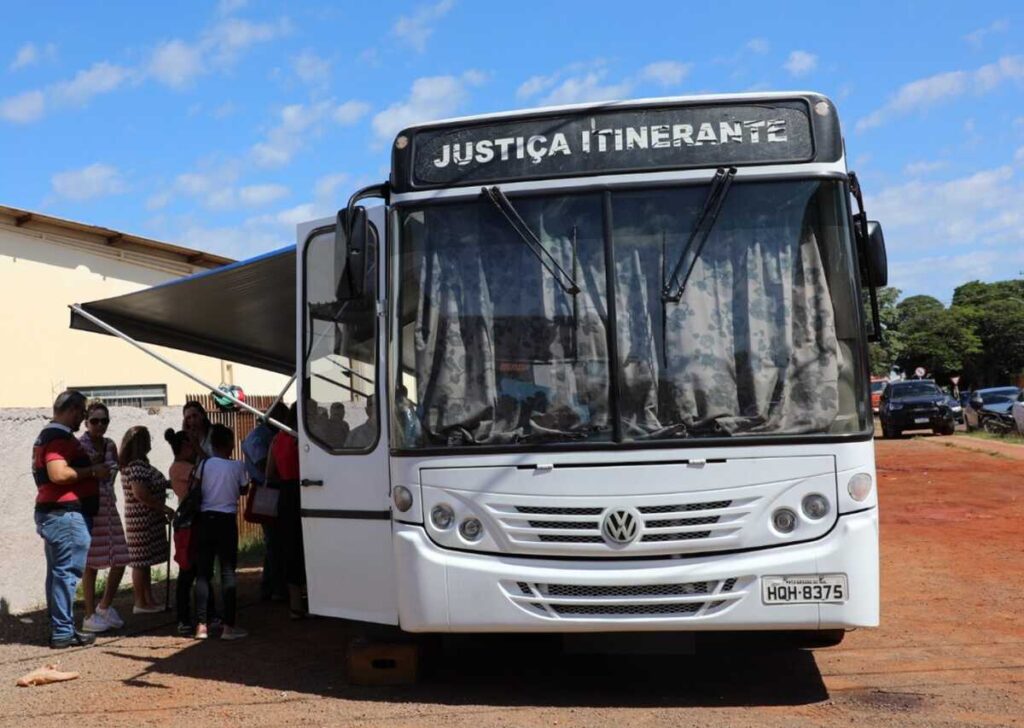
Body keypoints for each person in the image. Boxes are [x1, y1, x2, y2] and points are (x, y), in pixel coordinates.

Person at [33, 390, 108, 648]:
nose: (83, 419)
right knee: (66, 573)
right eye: (83, 413)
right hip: (65, 514)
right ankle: (63, 631)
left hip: (56, 513)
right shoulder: (58, 437)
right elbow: (58, 473)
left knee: (58, 572)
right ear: (73, 410)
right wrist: (92, 471)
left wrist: (86, 465)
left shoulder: (49, 435)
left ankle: (60, 627)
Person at [194, 424, 249, 640]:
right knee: (227, 572)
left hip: (205, 519)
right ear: (230, 444)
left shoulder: (204, 464)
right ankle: (228, 626)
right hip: (226, 520)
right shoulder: (237, 466)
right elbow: (244, 489)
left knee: (203, 573)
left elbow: (196, 486)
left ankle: (201, 625)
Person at [79, 403, 130, 633]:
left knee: (121, 556)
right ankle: (89, 614)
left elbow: (112, 473)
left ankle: (104, 605)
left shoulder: (110, 444)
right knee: (91, 563)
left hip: (108, 506)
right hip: (90, 506)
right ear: (86, 422)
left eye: (104, 421)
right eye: (95, 421)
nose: (100, 425)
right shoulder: (80, 445)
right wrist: (94, 466)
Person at [165, 428, 217, 635]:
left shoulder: (180, 467)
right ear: (186, 447)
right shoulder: (182, 468)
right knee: (190, 572)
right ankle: (186, 617)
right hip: (190, 523)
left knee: (196, 570)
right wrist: (198, 449)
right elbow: (209, 469)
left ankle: (201, 615)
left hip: (192, 521)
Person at [120, 427, 174, 614]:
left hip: (146, 519)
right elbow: (140, 493)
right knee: (140, 561)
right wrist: (163, 508)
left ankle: (148, 599)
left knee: (145, 562)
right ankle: (140, 602)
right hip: (141, 520)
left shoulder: (138, 465)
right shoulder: (136, 466)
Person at [240, 402, 289, 601]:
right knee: (274, 541)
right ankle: (273, 587)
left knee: (277, 541)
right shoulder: (258, 438)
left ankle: (273, 585)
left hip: (274, 489)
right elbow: (264, 467)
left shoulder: (269, 435)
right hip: (266, 490)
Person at [266, 404, 306, 619]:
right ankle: (311, 599)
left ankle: (295, 603)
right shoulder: (302, 439)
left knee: (290, 547)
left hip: (285, 494)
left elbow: (269, 473)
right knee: (307, 545)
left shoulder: (276, 439)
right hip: (304, 492)